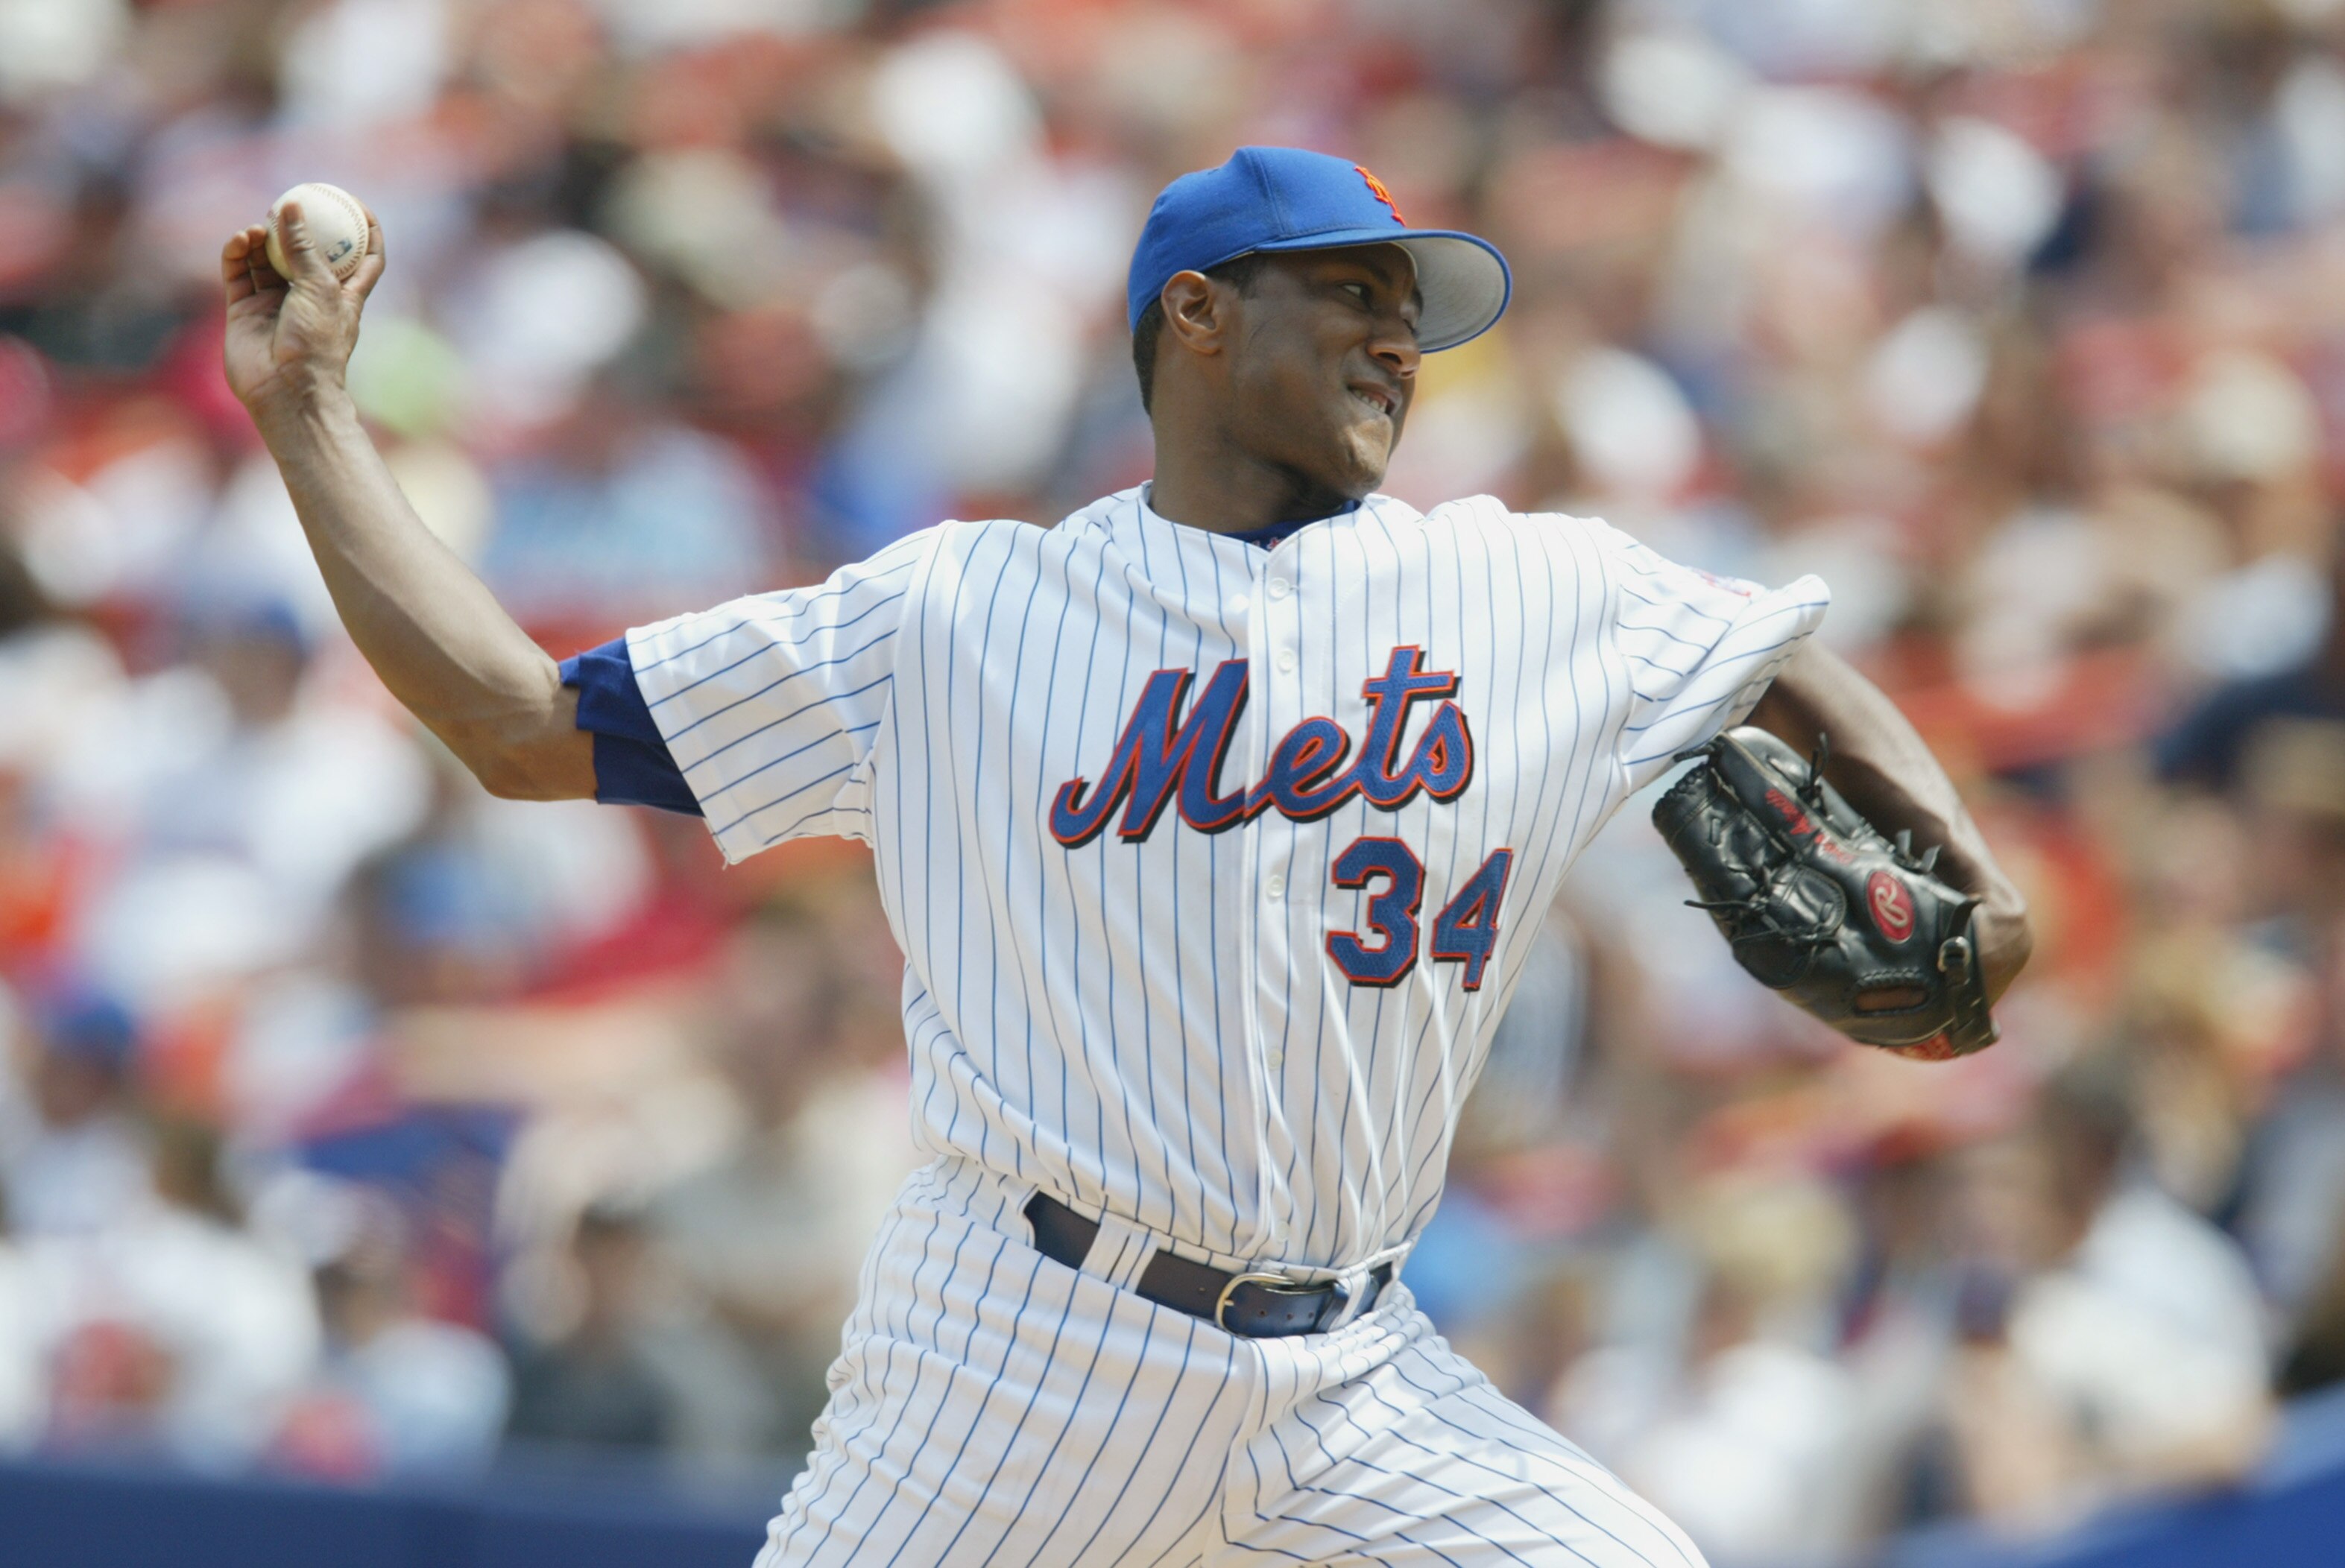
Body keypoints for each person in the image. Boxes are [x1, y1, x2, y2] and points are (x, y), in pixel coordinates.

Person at [220, 146, 2030, 1566]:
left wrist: (1970, 866)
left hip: (1357, 1376)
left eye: (1413, 309)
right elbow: (522, 724)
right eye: (1351, 295)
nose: (1400, 338)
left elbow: (1778, 644)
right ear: (1196, 319)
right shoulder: (954, 613)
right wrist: (308, 417)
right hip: (1016, 1351)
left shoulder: (1523, 581)